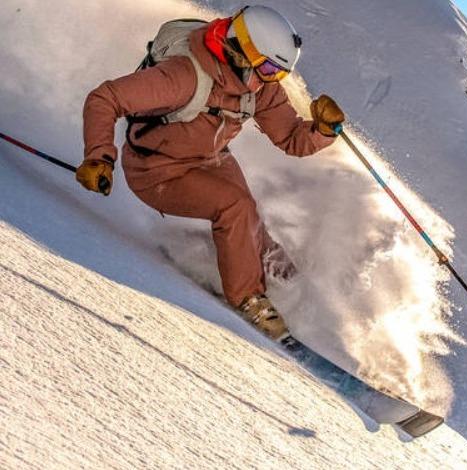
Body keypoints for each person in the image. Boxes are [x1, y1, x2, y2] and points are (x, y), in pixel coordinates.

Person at [76, 6, 345, 343]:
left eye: (279, 73)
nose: (271, 79)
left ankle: (288, 280)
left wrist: (325, 130)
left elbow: (291, 138)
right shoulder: (184, 76)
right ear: (243, 51)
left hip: (211, 158)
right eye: (268, 68)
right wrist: (99, 156)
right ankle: (249, 299)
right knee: (234, 206)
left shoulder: (259, 85)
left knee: (249, 217)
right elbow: (105, 99)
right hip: (157, 171)